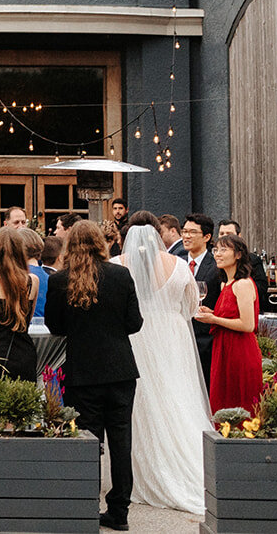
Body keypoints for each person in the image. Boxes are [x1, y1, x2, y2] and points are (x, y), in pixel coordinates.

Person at [44, 220, 143, 532]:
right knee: (121, 442)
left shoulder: (61, 280)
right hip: (120, 370)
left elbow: (55, 326)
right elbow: (135, 322)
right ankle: (119, 511)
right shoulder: (121, 274)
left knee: (88, 442)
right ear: (101, 243)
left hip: (82, 371)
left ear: (70, 245)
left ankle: (86, 504)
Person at [115, 215, 211, 514]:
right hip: (173, 336)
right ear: (159, 235)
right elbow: (192, 306)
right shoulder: (179, 265)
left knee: (143, 402)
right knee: (177, 395)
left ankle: (144, 470)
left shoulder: (118, 264)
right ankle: (189, 463)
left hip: (137, 337)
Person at [196, 233, 263, 416]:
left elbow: (248, 325)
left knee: (241, 402)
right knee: (223, 401)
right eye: (216, 249)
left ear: (238, 255)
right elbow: (230, 315)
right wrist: (213, 313)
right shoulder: (225, 284)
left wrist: (214, 320)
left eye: (224, 250)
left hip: (240, 350)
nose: (217, 254)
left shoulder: (243, 284)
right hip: (223, 348)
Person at [0, 227, 39, 384]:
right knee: (23, 406)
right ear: (20, 252)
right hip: (23, 352)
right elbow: (27, 320)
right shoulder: (32, 281)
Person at [180, 212, 221, 385]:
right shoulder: (176, 262)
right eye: (184, 231)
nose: (186, 236)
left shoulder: (217, 266)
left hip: (205, 339)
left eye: (192, 232)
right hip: (179, 335)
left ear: (207, 237)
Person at [216, 219, 270, 304]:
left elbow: (262, 287)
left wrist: (239, 292)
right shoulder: (217, 261)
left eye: (229, 234)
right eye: (221, 234)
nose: (225, 237)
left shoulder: (252, 261)